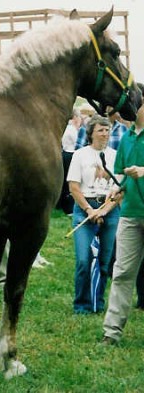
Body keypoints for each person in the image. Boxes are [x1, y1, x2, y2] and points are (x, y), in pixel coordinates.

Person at [101, 103, 144, 345]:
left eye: (134, 104)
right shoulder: (126, 138)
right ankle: (112, 332)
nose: (127, 109)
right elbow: (120, 175)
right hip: (129, 215)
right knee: (122, 273)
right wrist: (115, 190)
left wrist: (143, 170)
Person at [67, 115, 119, 315]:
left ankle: (98, 301)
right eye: (101, 130)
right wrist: (90, 210)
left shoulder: (115, 155)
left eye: (107, 130)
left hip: (110, 209)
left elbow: (120, 189)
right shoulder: (80, 155)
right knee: (83, 260)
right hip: (85, 209)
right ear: (91, 133)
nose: (105, 134)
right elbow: (73, 186)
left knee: (104, 261)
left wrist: (104, 210)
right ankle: (81, 304)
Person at [59, 108, 83, 214]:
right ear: (75, 117)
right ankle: (69, 207)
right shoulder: (72, 129)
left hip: (64, 154)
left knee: (65, 180)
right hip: (71, 154)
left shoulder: (66, 128)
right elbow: (76, 142)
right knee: (71, 180)